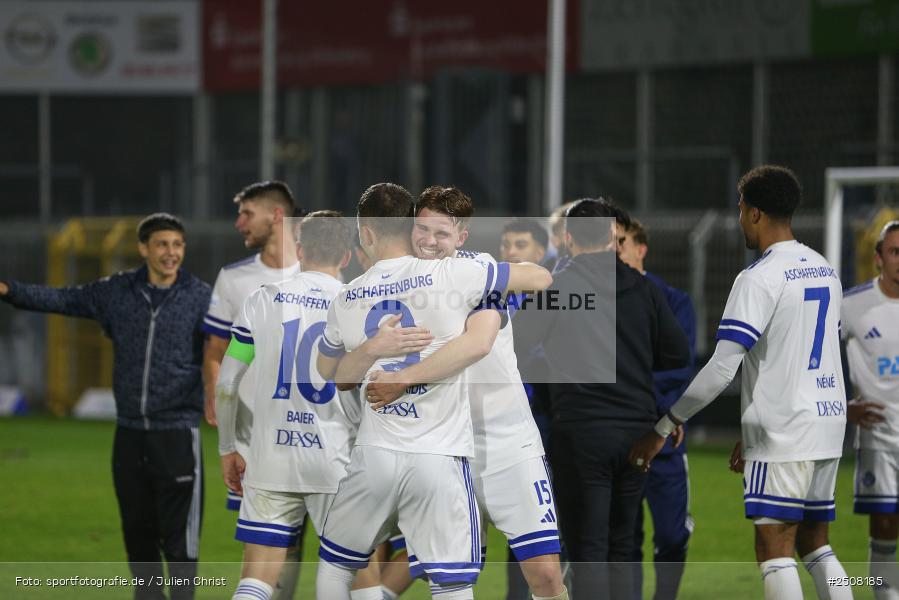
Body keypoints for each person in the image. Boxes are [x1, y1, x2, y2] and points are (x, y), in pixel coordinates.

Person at [313, 183, 552, 600]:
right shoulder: (404, 279)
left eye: (442, 233)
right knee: (433, 568)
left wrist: (403, 378)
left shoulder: (473, 272)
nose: (428, 240)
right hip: (440, 445)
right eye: (421, 229)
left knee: (544, 575)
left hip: (502, 441)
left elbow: (479, 342)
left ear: (462, 237)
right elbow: (338, 374)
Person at [630, 165, 853, 600]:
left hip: (785, 428)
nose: (738, 219)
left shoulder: (758, 277)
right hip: (826, 423)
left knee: (774, 549)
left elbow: (721, 369)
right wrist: (753, 430)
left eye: (740, 209)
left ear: (755, 213)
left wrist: (664, 426)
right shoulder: (824, 268)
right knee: (816, 543)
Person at [0, 213, 210, 600]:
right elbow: (64, 299)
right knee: (137, 535)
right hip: (129, 435)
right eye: (162, 244)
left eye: (177, 245)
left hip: (177, 435)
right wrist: (9, 289)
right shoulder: (117, 292)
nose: (171, 253)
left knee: (181, 541)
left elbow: (231, 345)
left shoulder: (202, 297)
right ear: (143, 248)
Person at [513, 198, 691, 599]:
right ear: (613, 237)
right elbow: (677, 353)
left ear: (568, 238)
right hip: (637, 433)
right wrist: (634, 358)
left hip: (581, 433)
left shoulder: (557, 287)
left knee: (588, 549)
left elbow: (517, 346)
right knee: (622, 545)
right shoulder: (644, 288)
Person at [215, 211, 364, 600]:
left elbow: (227, 384)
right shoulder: (357, 305)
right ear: (346, 256)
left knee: (257, 577)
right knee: (353, 577)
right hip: (337, 459)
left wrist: (228, 447)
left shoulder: (262, 299)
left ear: (299, 250)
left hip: (271, 456)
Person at [201, 181, 304, 599]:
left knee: (336, 551)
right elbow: (215, 350)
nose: (238, 222)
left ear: (276, 215)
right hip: (255, 436)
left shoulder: (321, 271)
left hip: (315, 432)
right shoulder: (234, 278)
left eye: (247, 213)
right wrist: (215, 393)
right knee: (273, 544)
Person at [617, 219, 696, 600]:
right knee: (625, 536)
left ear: (641, 248)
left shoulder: (674, 300)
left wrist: (665, 417)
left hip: (663, 434)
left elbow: (680, 367)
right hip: (619, 435)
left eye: (621, 243)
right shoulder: (597, 301)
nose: (614, 251)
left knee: (672, 534)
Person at [841, 220, 899, 600]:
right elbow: (815, 353)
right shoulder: (852, 305)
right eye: (895, 252)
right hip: (879, 436)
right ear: (878, 258)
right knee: (885, 526)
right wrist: (841, 405)